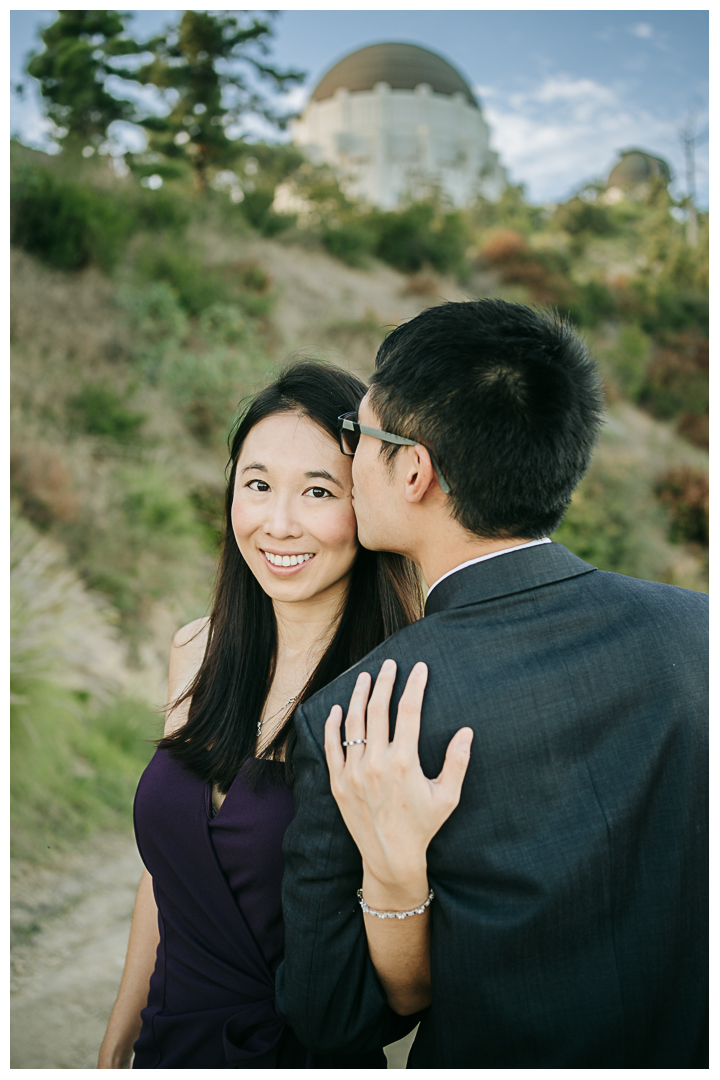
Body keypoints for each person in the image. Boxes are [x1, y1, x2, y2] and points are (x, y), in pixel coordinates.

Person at [277, 299, 709, 1068]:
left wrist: (392, 876)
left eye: (359, 437)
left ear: (414, 470)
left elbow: (332, 1014)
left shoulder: (360, 717)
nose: (350, 462)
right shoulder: (701, 634)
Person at [97, 361, 454, 1068]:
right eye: (257, 485)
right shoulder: (195, 652)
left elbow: (410, 990)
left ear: (368, 504)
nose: (278, 523)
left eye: (318, 491)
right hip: (171, 1049)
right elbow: (167, 876)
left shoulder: (397, 697)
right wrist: (116, 1046)